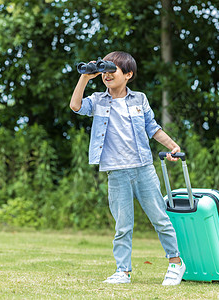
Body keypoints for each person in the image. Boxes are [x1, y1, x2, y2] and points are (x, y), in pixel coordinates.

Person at [69, 51, 186, 285]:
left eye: (112, 70)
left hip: (143, 169)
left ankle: (175, 263)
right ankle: (123, 271)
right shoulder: (98, 100)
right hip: (116, 172)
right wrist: (85, 76)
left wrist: (173, 146)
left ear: (128, 74)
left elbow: (153, 128)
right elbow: (75, 106)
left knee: (160, 219)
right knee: (123, 226)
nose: (107, 75)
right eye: (104, 71)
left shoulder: (139, 99)